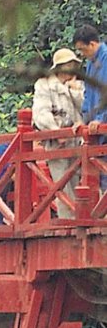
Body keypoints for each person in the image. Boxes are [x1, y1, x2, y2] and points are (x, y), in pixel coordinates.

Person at [32, 47, 84, 218]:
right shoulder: (44, 84)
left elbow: (85, 109)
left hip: (78, 141)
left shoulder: (77, 84)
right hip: (56, 142)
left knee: (82, 183)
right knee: (62, 183)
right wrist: (55, 131)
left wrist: (76, 92)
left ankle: (84, 218)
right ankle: (67, 221)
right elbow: (41, 113)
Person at [73, 24, 107, 191]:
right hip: (96, 127)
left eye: (82, 49)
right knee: (100, 177)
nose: (82, 54)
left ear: (92, 44)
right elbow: (88, 95)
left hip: (103, 124)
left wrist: (100, 118)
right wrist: (84, 120)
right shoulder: (90, 64)